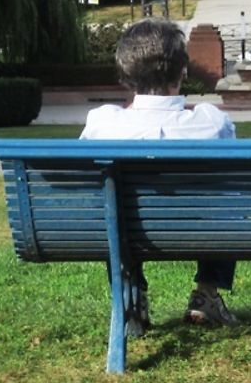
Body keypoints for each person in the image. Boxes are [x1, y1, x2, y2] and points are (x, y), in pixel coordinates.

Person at [80, 19, 239, 331]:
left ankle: (132, 299)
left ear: (126, 73)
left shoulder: (102, 124)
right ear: (182, 71)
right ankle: (207, 295)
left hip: (127, 230)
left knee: (114, 211)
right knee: (225, 203)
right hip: (203, 231)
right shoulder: (212, 123)